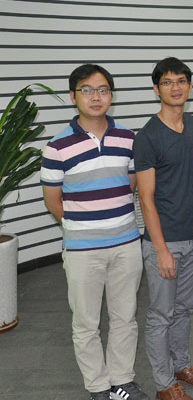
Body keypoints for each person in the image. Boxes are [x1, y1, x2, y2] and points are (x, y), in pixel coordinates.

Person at [41, 64, 149, 400]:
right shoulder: (57, 146)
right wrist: (83, 227)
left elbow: (130, 185)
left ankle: (121, 381)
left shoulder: (128, 138)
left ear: (111, 96)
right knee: (86, 323)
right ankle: (98, 387)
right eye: (87, 90)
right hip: (82, 249)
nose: (96, 97)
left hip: (126, 244)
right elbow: (53, 200)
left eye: (103, 90)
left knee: (125, 317)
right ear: (73, 96)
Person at [134, 57, 193, 400]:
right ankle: (165, 384)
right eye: (167, 82)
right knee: (161, 315)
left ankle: (182, 365)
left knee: (184, 309)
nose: (176, 87)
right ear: (156, 89)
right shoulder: (147, 137)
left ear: (190, 86)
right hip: (165, 242)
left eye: (181, 81)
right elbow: (146, 198)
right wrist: (161, 249)